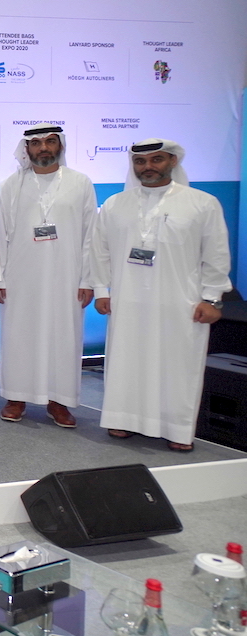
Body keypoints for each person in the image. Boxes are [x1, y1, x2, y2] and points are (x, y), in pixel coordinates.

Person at [92, 139, 231, 451]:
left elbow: (216, 253)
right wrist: (101, 290)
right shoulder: (115, 204)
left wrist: (212, 298)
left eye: (156, 160)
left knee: (178, 365)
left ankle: (177, 429)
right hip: (128, 300)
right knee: (127, 359)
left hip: (180, 302)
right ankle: (123, 419)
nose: (148, 167)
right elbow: (99, 251)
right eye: (140, 161)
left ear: (173, 161)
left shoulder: (202, 203)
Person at [0, 125, 96, 427]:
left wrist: (87, 279)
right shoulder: (11, 185)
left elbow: (91, 234)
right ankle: (16, 397)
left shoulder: (80, 183)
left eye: (50, 141)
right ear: (27, 149)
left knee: (64, 336)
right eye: (36, 143)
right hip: (20, 275)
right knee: (18, 334)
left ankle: (59, 401)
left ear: (60, 145)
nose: (43, 148)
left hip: (67, 275)